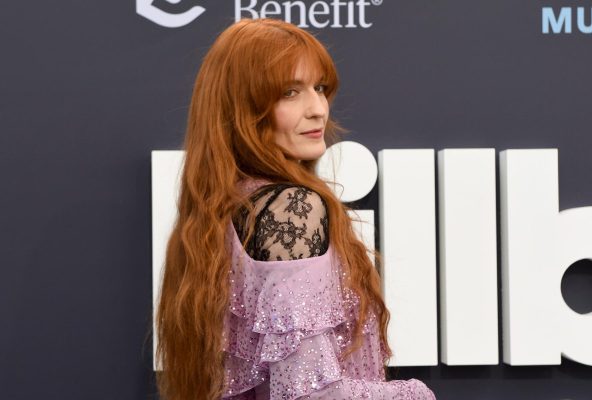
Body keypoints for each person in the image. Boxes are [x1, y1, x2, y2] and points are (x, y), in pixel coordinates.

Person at [155, 18, 436, 400]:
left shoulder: (225, 209)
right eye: (290, 92)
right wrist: (418, 395)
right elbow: (309, 395)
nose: (318, 109)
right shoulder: (290, 209)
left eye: (319, 88)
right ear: (243, 108)